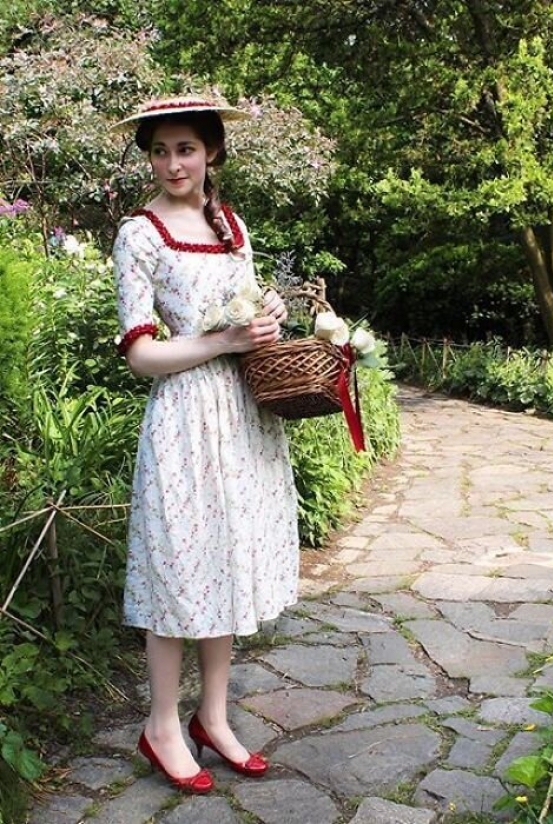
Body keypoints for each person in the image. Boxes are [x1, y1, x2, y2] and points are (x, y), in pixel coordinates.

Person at [111, 96, 300, 793]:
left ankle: (212, 718)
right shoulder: (140, 233)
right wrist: (222, 340)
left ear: (212, 152)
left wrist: (267, 317)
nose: (172, 164)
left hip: (243, 417)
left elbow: (245, 311)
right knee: (177, 572)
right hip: (185, 418)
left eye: (185, 148)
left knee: (223, 562)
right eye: (159, 151)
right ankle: (163, 722)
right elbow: (140, 355)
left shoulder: (231, 226)